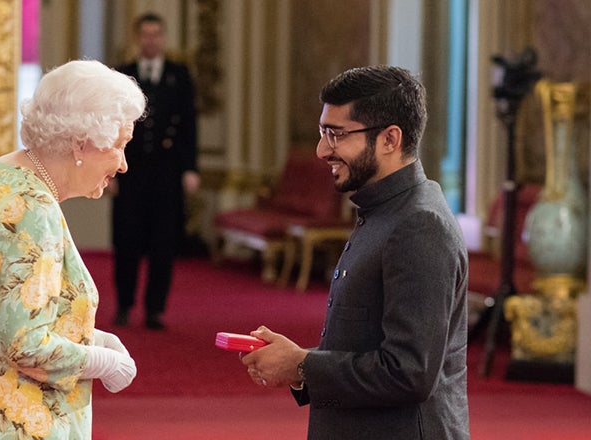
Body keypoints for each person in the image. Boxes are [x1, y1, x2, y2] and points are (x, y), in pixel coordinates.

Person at [0, 60, 147, 439]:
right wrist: (105, 362)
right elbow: (29, 346)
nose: (122, 165)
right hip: (5, 424)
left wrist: (94, 338)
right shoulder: (32, 209)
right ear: (82, 142)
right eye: (120, 146)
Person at [240, 66, 470, 439]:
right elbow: (364, 346)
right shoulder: (385, 210)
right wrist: (297, 365)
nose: (321, 150)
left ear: (390, 139)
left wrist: (301, 365)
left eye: (337, 135)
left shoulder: (418, 224)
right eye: (322, 133)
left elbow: (408, 372)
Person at [111, 12, 199, 330]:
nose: (151, 40)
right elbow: (114, 125)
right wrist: (111, 172)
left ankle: (155, 309)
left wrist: (190, 168)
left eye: (156, 34)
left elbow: (189, 124)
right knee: (126, 240)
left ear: (163, 38)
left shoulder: (179, 75)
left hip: (167, 170)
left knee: (164, 241)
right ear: (138, 38)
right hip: (130, 170)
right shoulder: (124, 74)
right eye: (145, 34)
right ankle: (123, 304)